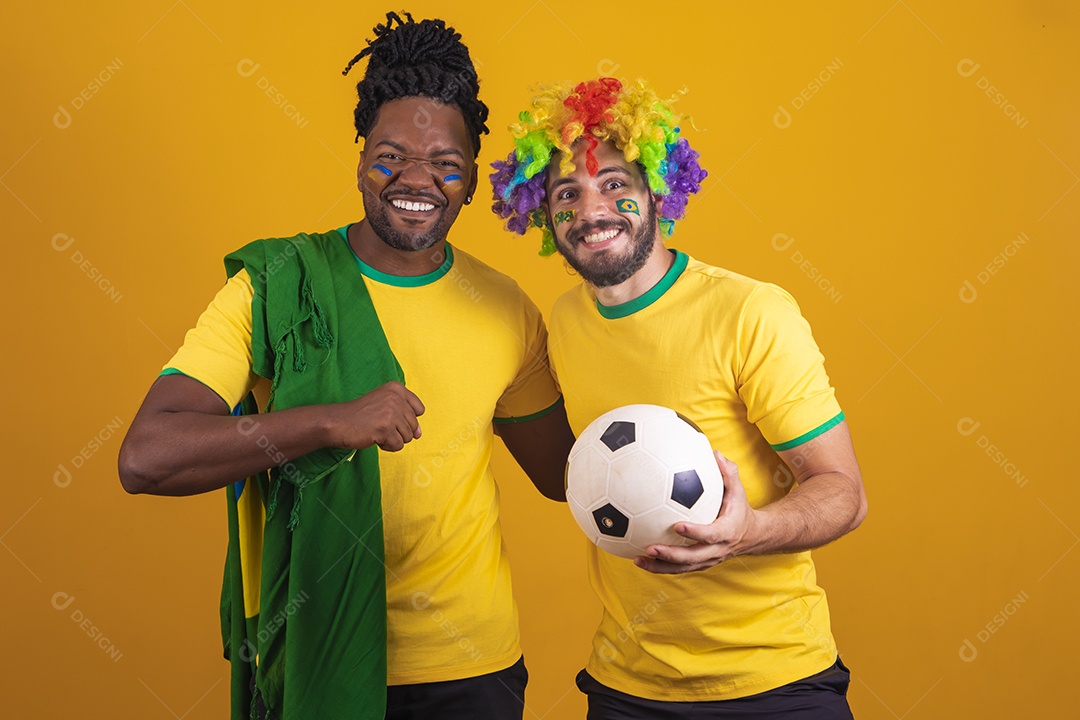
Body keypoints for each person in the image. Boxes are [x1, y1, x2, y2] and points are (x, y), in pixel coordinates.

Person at [118, 12, 575, 720]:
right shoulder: (275, 288)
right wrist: (331, 421)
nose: (417, 179)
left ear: (472, 178)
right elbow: (146, 458)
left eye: (446, 165)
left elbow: (565, 476)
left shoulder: (505, 308)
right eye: (392, 154)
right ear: (360, 155)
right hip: (316, 647)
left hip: (472, 669)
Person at [491, 77, 867, 718]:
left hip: (775, 681)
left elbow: (844, 493)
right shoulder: (566, 324)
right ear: (542, 215)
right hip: (627, 685)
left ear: (657, 193)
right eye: (567, 194)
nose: (591, 211)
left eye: (615, 185)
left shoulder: (751, 312)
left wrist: (750, 531)